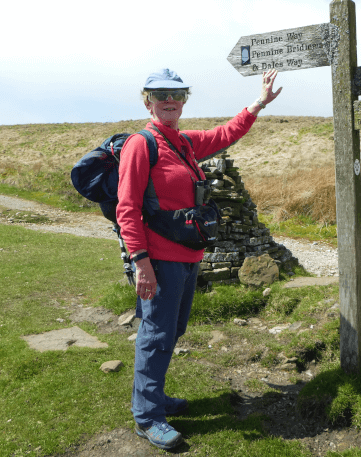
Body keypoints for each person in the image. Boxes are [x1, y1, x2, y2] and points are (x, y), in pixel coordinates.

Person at [116, 68, 282, 450]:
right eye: (160, 95)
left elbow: (226, 134)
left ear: (184, 100)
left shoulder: (184, 143)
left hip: (189, 256)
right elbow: (128, 208)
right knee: (156, 336)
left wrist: (258, 102)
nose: (169, 101)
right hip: (159, 259)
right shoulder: (142, 145)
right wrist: (141, 263)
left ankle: (153, 397)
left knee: (172, 331)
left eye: (177, 95)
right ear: (148, 101)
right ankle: (147, 417)